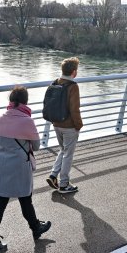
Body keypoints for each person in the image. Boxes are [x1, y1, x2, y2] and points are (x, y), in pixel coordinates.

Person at [0, 85, 52, 253]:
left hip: (2, 165)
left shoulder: (1, 117)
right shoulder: (27, 121)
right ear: (25, 101)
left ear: (11, 100)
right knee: (25, 200)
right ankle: (36, 227)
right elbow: (36, 146)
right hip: (19, 167)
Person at [46, 57, 83, 194]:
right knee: (68, 154)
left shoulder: (55, 82)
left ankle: (53, 175)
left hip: (56, 123)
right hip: (69, 127)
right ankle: (64, 184)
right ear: (74, 72)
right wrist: (78, 125)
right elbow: (74, 109)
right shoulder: (73, 87)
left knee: (63, 150)